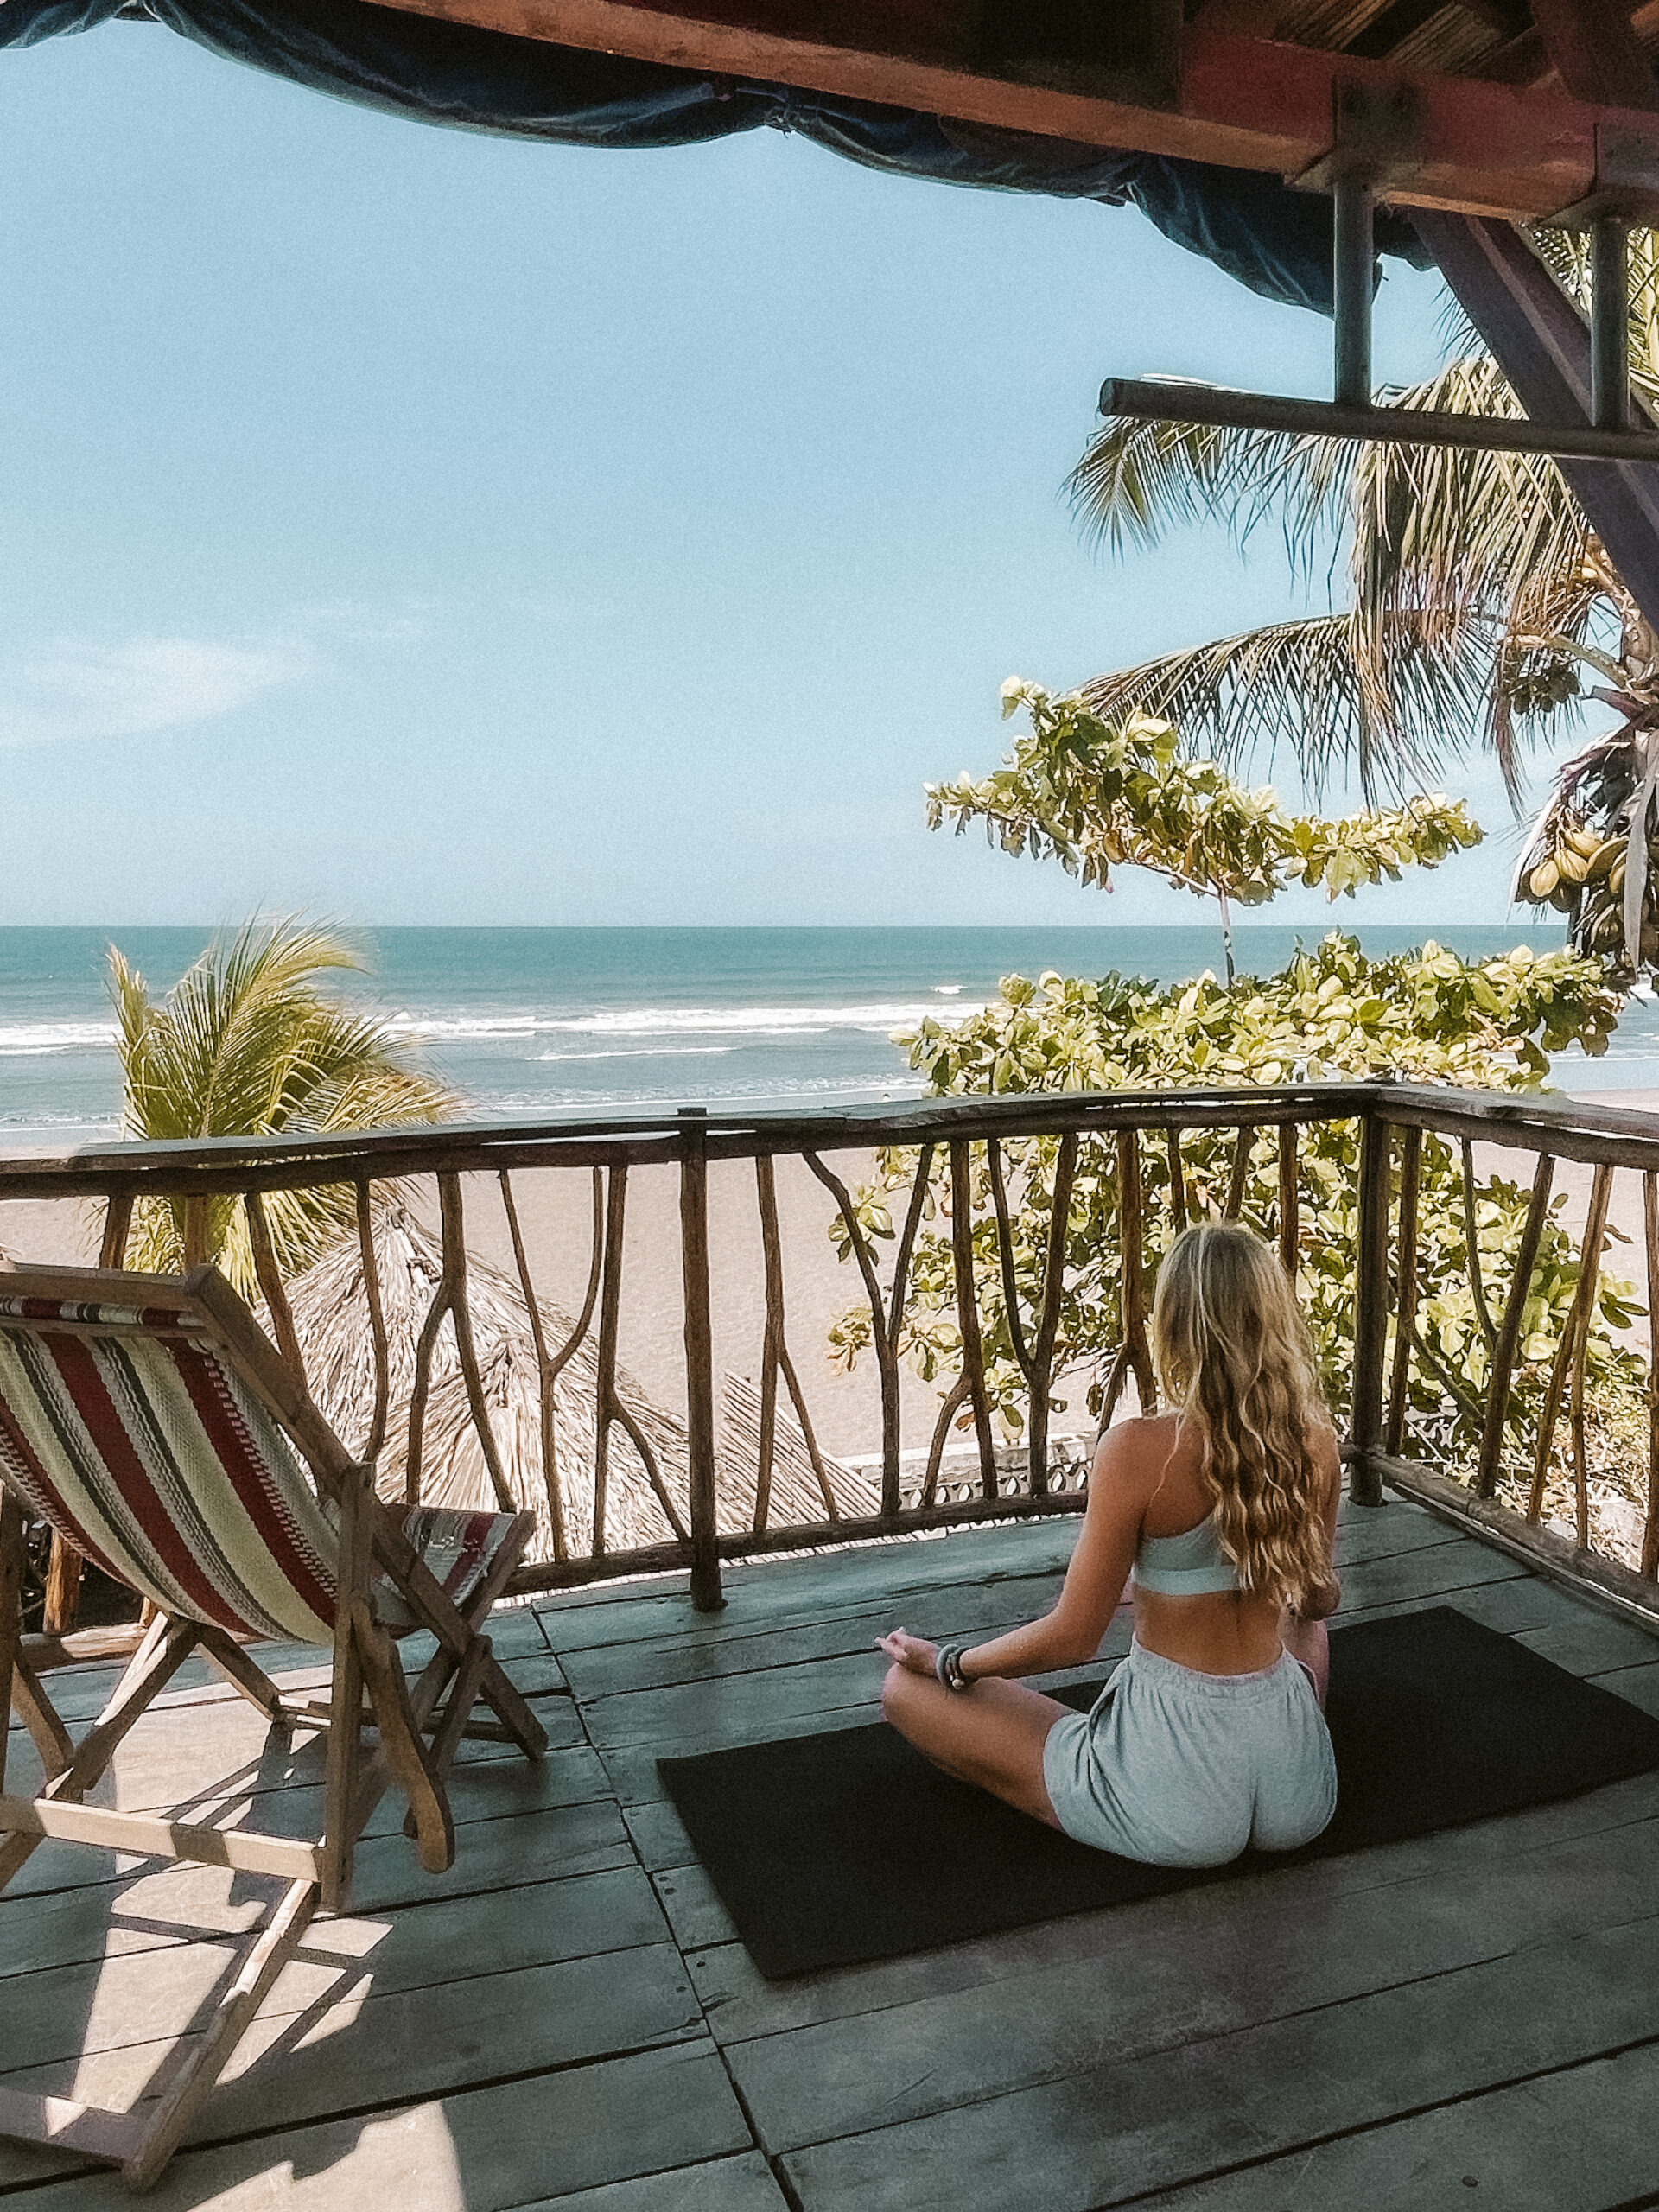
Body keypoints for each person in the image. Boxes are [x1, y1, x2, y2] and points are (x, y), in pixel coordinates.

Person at [878, 1219, 1341, 1866]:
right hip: (1301, 1797)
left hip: (1174, 1798)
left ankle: (1063, 1791)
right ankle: (1265, 1754)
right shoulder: (1315, 1442)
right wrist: (1231, 1576)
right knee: (1303, 1630)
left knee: (903, 1693)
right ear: (1273, 1317)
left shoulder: (1138, 1450)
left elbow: (1073, 1637)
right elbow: (1318, 1601)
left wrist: (951, 1663)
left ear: (1172, 1326)